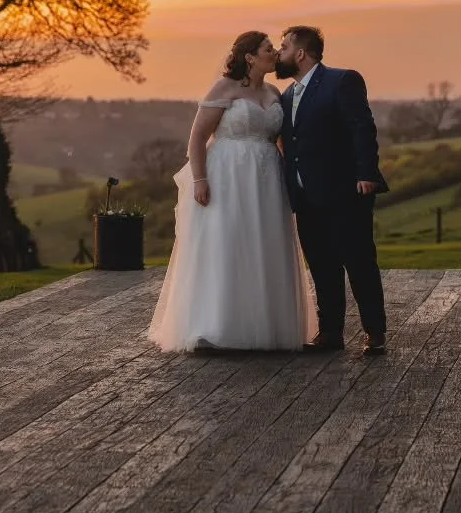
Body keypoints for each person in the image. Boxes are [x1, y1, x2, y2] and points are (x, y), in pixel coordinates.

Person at [146, 31, 316, 352]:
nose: (275, 54)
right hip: (227, 174)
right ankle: (216, 326)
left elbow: (282, 140)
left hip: (266, 177)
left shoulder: (274, 92)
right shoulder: (225, 88)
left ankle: (265, 326)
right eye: (268, 49)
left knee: (264, 243)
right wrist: (199, 180)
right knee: (229, 241)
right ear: (250, 57)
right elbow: (197, 138)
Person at [274, 25, 389, 356]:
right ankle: (331, 333)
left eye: (283, 48)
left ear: (300, 53)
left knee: (359, 261)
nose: (279, 54)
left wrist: (366, 173)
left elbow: (362, 128)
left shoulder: (342, 81)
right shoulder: (286, 96)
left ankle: (375, 331)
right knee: (322, 265)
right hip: (305, 197)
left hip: (345, 192)